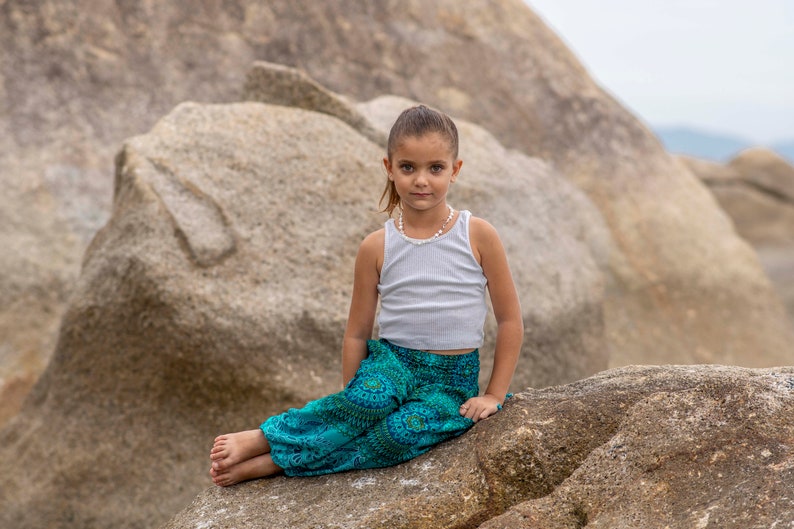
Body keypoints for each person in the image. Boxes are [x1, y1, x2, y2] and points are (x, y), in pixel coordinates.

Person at [209, 104, 523, 486]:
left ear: (455, 170)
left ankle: (275, 461)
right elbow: (357, 332)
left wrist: (494, 394)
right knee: (367, 403)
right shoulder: (377, 246)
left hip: (451, 380)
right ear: (389, 168)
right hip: (392, 362)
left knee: (401, 433)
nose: (421, 180)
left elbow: (509, 319)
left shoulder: (477, 235)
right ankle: (263, 436)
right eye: (408, 167)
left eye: (435, 168)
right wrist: (350, 404)